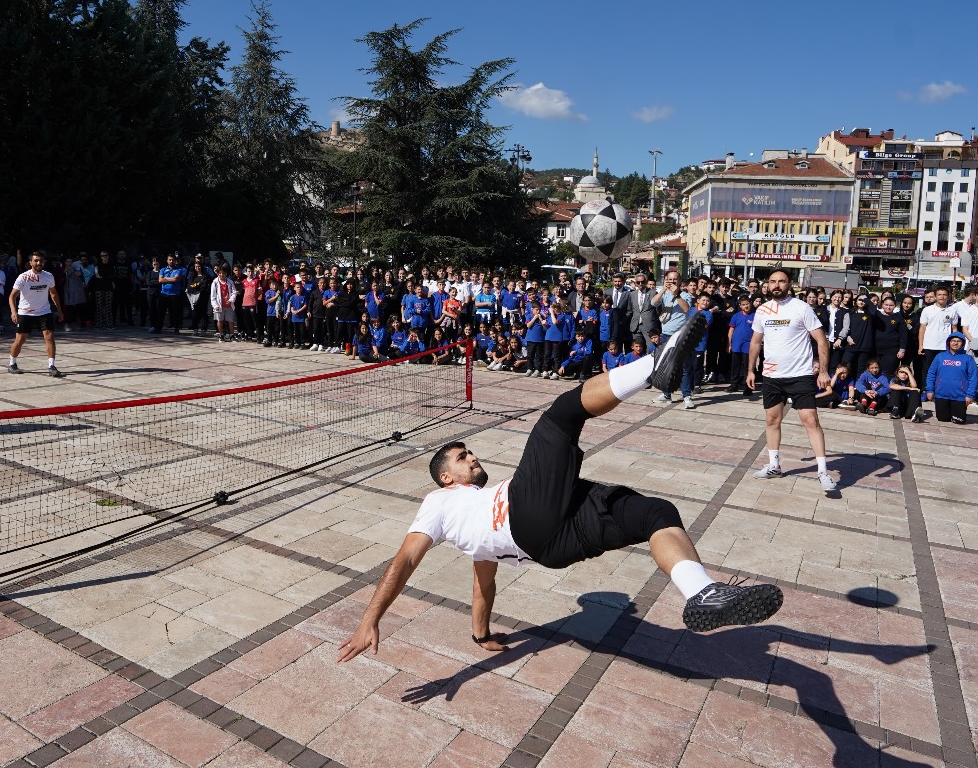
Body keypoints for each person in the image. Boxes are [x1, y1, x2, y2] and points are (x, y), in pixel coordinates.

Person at [336, 326, 784, 665]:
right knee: (558, 417)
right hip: (525, 517)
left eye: (469, 451)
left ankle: (702, 592)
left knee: (655, 513)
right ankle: (653, 366)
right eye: (460, 456)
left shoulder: (474, 531)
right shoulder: (438, 504)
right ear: (445, 479)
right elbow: (405, 561)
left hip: (548, 545)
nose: (471, 456)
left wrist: (480, 635)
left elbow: (482, 586)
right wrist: (370, 618)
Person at [747, 269, 838, 494]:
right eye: (772, 281)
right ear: (767, 284)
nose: (776, 285)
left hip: (800, 375)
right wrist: (750, 370)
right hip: (771, 376)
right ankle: (774, 465)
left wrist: (824, 371)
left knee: (810, 420)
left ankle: (823, 472)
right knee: (771, 420)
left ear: (790, 284)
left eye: (781, 281)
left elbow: (821, 340)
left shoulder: (802, 308)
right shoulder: (762, 310)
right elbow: (756, 342)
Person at [7, 251, 67, 378]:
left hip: (44, 312)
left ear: (44, 262)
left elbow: (53, 293)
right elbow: (12, 296)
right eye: (36, 260)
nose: (39, 263)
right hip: (25, 313)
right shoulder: (23, 277)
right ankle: (12, 363)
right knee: (20, 340)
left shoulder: (48, 276)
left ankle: (51, 366)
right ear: (31, 262)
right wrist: (13, 312)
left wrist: (59, 311)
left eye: (41, 260)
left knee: (49, 336)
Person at [926, 332, 978, 425]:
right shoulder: (940, 356)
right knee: (942, 419)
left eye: (959, 341)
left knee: (958, 421)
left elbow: (973, 378)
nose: (955, 343)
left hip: (960, 397)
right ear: (949, 342)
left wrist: (970, 395)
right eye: (953, 341)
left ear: (963, 343)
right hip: (941, 395)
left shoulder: (968, 359)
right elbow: (931, 373)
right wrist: (929, 390)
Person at [917, 287, 958, 394]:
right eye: (939, 294)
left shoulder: (952, 311)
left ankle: (939, 391)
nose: (942, 297)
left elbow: (954, 329)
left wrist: (954, 345)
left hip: (945, 346)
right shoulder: (927, 310)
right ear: (935, 297)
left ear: (948, 296)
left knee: (943, 370)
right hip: (929, 345)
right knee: (927, 370)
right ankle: (926, 391)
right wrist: (921, 345)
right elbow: (922, 328)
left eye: (944, 294)